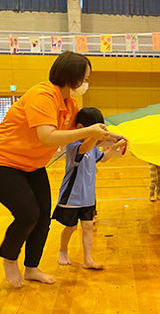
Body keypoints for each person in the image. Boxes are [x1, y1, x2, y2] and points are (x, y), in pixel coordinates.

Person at [0, 52, 111, 288]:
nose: (86, 83)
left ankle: (31, 268)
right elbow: (48, 137)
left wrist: (102, 136)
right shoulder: (42, 95)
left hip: (32, 165)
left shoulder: (70, 104)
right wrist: (88, 131)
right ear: (72, 76)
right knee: (28, 214)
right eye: (85, 78)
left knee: (42, 218)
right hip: (0, 162)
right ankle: (9, 258)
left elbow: (79, 145)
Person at [54, 107, 126, 269]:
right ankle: (63, 250)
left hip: (88, 197)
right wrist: (98, 135)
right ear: (80, 128)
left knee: (88, 227)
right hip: (71, 196)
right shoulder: (73, 145)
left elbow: (103, 159)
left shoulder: (93, 147)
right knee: (71, 226)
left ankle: (88, 259)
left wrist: (114, 146)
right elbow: (84, 148)